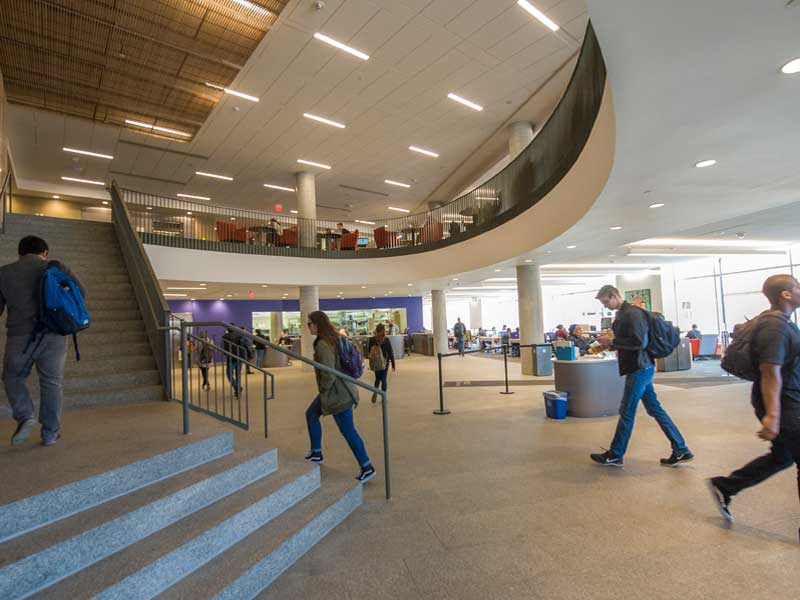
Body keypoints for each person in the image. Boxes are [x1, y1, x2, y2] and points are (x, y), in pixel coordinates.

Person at [707, 275, 800, 525]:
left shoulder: (780, 322)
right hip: (783, 403)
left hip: (787, 399)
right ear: (786, 294)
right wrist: (773, 415)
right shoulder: (775, 326)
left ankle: (725, 486)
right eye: (797, 286)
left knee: (782, 457)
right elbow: (770, 371)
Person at [590, 284, 693, 467]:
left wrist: (613, 341)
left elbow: (639, 341)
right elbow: (630, 341)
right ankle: (681, 449)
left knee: (627, 410)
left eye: (606, 301)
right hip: (640, 367)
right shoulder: (624, 314)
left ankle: (616, 453)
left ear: (614, 295)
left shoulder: (632, 314)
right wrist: (610, 345)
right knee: (654, 408)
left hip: (639, 368)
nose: (605, 306)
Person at [1, 235, 85, 447]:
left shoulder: (4, 273)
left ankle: (25, 415)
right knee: (52, 383)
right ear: (44, 252)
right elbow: (80, 293)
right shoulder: (56, 268)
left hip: (19, 337)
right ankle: (50, 434)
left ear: (20, 253)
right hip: (55, 335)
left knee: (13, 377)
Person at [304, 310, 376, 483]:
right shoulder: (333, 338)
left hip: (338, 393)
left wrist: (323, 390)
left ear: (317, 324)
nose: (307, 327)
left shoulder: (323, 343)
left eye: (309, 324)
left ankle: (367, 466)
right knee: (312, 414)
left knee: (348, 430)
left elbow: (329, 373)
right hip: (342, 389)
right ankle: (316, 452)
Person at [367, 323, 396, 404]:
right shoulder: (386, 339)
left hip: (376, 363)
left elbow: (369, 351)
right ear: (383, 330)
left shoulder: (372, 339)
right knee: (383, 379)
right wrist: (393, 364)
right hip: (385, 363)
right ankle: (383, 396)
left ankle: (375, 392)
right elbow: (390, 352)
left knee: (377, 378)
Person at [222, 327, 244, 397]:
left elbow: (223, 348)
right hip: (239, 357)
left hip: (231, 358)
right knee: (238, 374)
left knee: (229, 375)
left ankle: (237, 388)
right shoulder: (240, 335)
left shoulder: (225, 337)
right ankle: (237, 390)